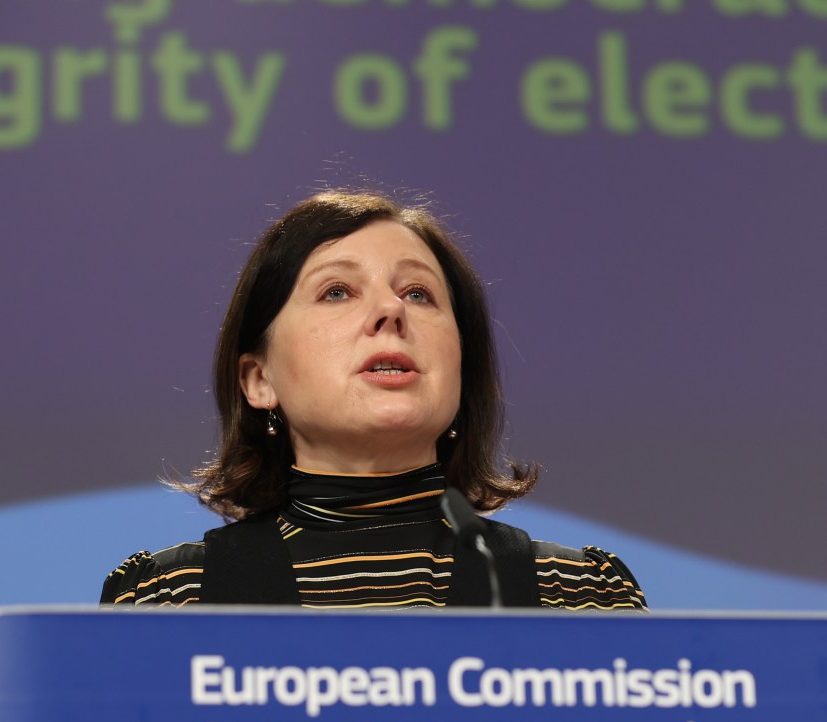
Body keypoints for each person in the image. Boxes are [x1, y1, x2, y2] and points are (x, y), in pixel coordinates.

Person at [101, 190, 645, 610]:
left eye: (418, 293)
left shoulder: (580, 598)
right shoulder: (165, 602)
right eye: (336, 291)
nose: (392, 310)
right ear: (258, 379)